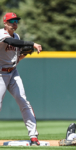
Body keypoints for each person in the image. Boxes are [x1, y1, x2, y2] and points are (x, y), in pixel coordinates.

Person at [0, 12, 42, 146]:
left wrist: (25, 54)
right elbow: (11, 42)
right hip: (0, 74)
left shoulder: (17, 36)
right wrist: (32, 43)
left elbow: (16, 59)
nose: (14, 23)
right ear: (5, 23)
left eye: (16, 21)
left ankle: (34, 136)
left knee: (23, 100)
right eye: (11, 21)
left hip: (12, 72)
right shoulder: (2, 34)